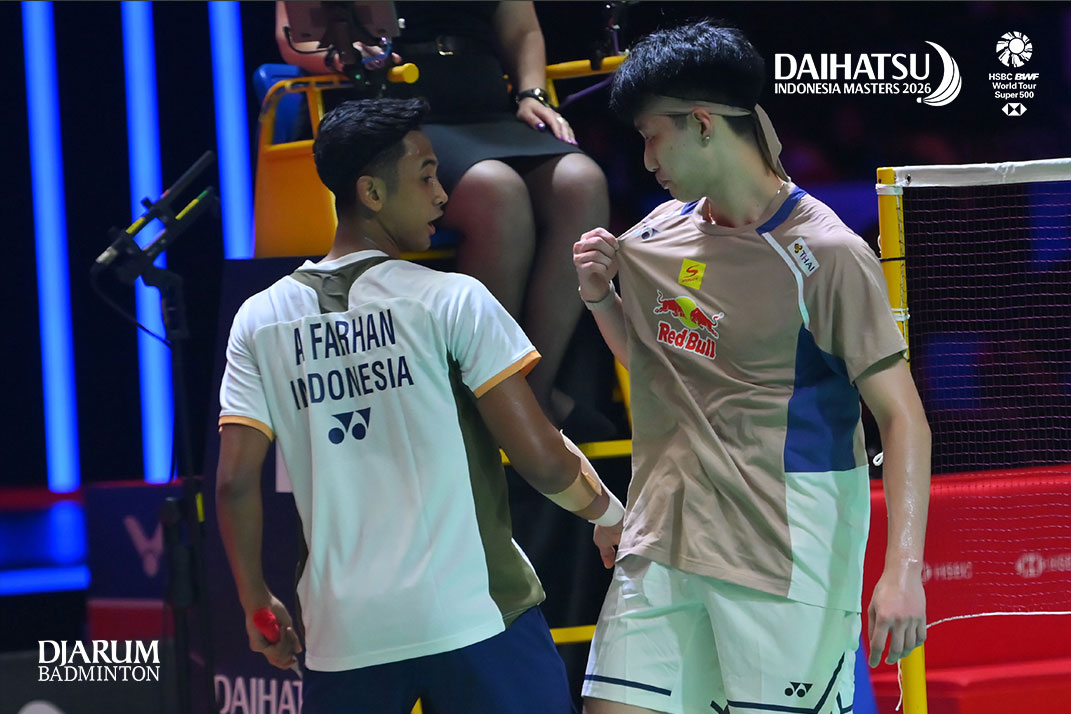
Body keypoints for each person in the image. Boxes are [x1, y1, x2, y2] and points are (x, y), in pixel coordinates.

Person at [216, 97, 624, 713]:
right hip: (473, 616)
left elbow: (233, 483)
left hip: (343, 635)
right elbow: (539, 456)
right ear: (372, 193)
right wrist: (610, 515)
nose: (441, 196)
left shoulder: (259, 320)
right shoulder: (451, 300)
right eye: (427, 177)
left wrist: (256, 601)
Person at [571, 20, 931, 714]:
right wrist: (598, 299)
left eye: (652, 135)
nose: (645, 159)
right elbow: (657, 366)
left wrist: (903, 571)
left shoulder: (824, 255)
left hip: (782, 556)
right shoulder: (656, 234)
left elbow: (901, 416)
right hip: (663, 542)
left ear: (703, 123)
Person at [275, 1, 614, 438]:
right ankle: (481, 393)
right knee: (497, 191)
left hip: (486, 103)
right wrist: (344, 55)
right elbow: (293, 37)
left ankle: (531, 392)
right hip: (394, 106)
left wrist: (532, 93)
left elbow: (523, 32)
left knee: (582, 182)